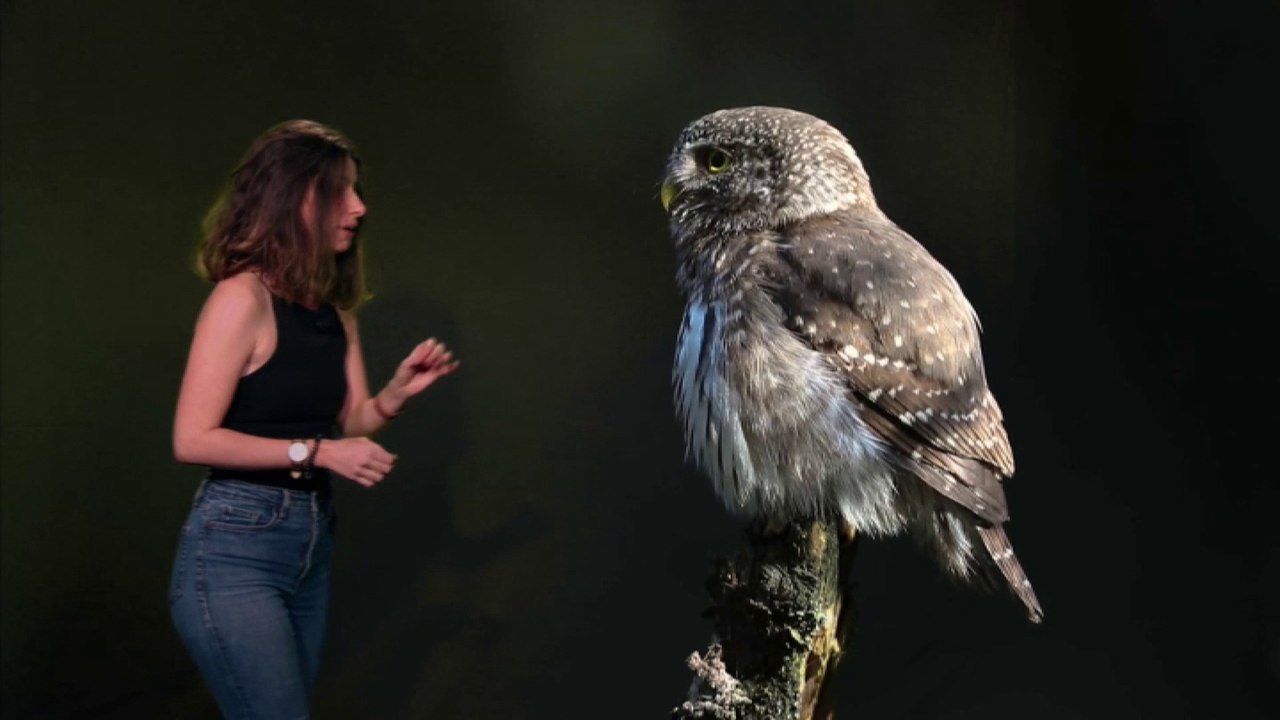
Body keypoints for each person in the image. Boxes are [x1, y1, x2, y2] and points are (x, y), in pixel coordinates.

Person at [167, 119, 458, 719]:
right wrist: (317, 453)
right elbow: (192, 438)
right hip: (234, 549)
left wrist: (395, 395)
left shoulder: (333, 312)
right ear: (299, 199)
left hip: (309, 546)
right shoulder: (239, 300)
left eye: (357, 190)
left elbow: (351, 422)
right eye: (342, 191)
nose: (359, 207)